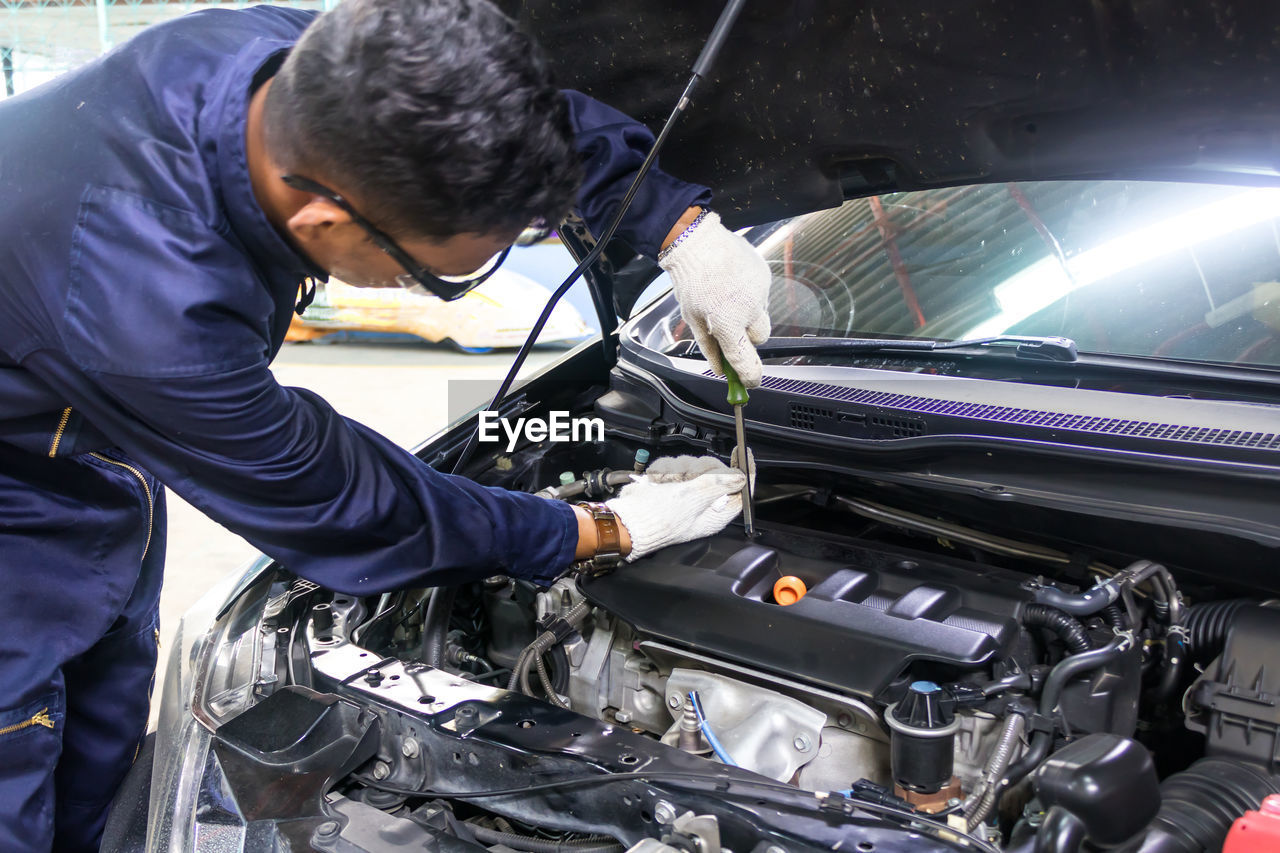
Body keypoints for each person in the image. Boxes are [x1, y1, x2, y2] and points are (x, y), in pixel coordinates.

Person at [0, 0, 771, 848]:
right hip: (19, 519)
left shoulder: (288, 64)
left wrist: (679, 226)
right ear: (325, 223)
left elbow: (500, 115)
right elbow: (347, 500)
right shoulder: (149, 312)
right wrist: (603, 526)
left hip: (90, 460)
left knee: (99, 779)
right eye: (445, 279)